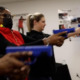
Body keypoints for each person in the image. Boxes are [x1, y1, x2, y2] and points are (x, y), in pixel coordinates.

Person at [0, 6, 67, 80]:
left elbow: (34, 42)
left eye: (10, 16)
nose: (9, 18)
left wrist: (53, 39)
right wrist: (46, 41)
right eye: (5, 15)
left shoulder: (16, 33)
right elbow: (13, 48)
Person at [26, 12, 80, 80]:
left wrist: (75, 32)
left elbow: (59, 36)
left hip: (49, 74)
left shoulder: (45, 36)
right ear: (35, 22)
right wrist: (75, 32)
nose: (45, 24)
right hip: (38, 76)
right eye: (43, 22)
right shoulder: (29, 38)